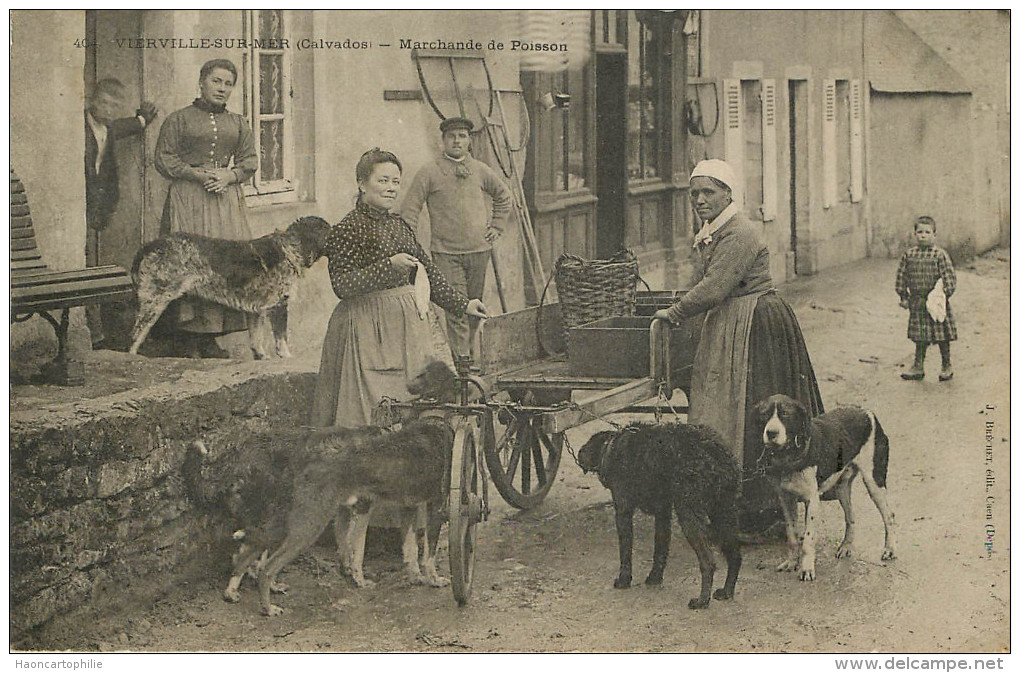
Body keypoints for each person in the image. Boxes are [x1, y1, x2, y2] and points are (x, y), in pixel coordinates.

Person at [653, 159, 824, 534]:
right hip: (733, 321)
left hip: (757, 325)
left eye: (708, 193)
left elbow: (715, 287)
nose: (699, 200)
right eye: (694, 193)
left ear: (728, 194)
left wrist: (676, 312)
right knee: (731, 407)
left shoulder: (740, 232)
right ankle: (742, 502)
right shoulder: (714, 230)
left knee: (754, 407)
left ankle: (763, 510)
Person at [310, 148, 489, 429]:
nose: (391, 188)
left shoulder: (399, 225)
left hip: (408, 329)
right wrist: (388, 267)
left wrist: (462, 304)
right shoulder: (347, 229)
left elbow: (427, 271)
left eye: (396, 182)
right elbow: (342, 285)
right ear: (361, 183)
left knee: (412, 405)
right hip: (368, 330)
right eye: (383, 181)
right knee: (373, 408)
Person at [153, 58, 257, 358]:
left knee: (222, 263)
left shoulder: (238, 123)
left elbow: (250, 160)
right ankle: (185, 336)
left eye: (228, 84)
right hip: (189, 199)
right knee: (190, 263)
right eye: (216, 81)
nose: (222, 88)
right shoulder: (179, 119)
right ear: (201, 82)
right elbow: (164, 159)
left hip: (224, 201)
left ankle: (211, 335)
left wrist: (229, 175)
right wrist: (198, 175)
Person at [398, 117, 512, 359]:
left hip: (479, 252)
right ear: (443, 140)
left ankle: (469, 356)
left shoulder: (480, 170)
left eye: (462, 136)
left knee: (474, 308)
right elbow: (410, 210)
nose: (457, 141)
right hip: (447, 254)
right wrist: (409, 245)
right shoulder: (429, 172)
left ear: (469, 140)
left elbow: (504, 195)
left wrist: (497, 225)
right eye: (451, 136)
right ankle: (463, 368)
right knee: (456, 310)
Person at [84, 78, 157, 349]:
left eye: (114, 106)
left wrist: (141, 120)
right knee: (85, 266)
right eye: (103, 102)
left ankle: (97, 333)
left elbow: (124, 127)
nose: (108, 109)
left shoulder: (110, 128)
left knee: (92, 266)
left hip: (96, 213)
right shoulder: (79, 127)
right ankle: (94, 335)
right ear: (91, 101)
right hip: (80, 208)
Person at [895, 215, 958, 381]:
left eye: (927, 232)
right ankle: (918, 366)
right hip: (917, 301)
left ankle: (946, 365)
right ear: (914, 234)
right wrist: (903, 295)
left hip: (936, 302)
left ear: (934, 235)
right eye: (920, 232)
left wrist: (944, 293)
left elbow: (949, 277)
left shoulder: (940, 255)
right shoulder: (909, 255)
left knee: (941, 334)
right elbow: (902, 276)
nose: (923, 235)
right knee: (919, 336)